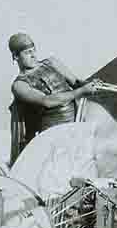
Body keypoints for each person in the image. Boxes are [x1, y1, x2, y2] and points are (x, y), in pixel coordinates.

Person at [7, 33, 98, 164]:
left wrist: (88, 85)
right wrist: (82, 91)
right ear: (16, 56)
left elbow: (76, 82)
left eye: (33, 50)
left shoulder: (52, 63)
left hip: (78, 120)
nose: (33, 55)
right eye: (27, 53)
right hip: (54, 133)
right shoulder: (19, 85)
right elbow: (47, 101)